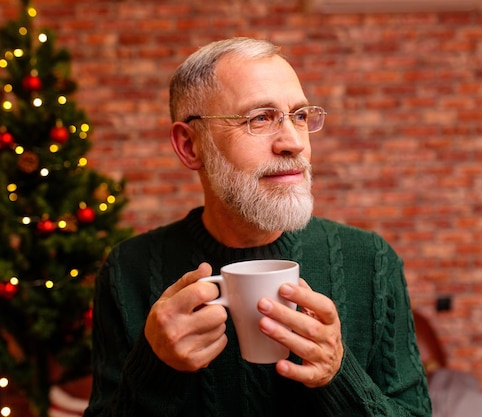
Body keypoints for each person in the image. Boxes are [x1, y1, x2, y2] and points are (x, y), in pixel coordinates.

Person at [83, 37, 431, 417]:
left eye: (299, 116)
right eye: (260, 118)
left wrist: (337, 373)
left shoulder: (372, 260)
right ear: (190, 145)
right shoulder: (127, 270)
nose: (294, 142)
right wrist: (156, 368)